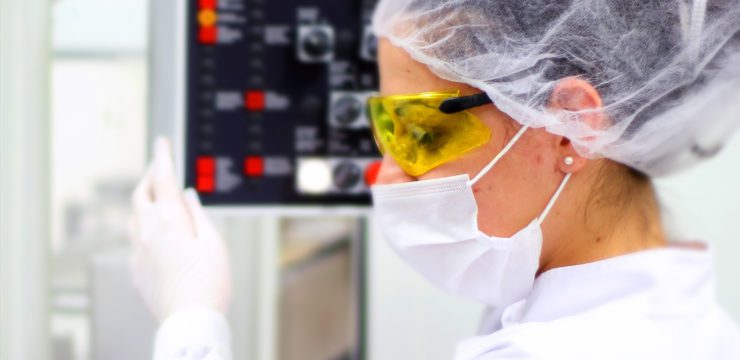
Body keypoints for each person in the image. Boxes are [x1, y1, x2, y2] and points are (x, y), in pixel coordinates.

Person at [129, 1, 740, 359]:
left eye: (415, 128)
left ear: (569, 124)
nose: (391, 174)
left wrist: (192, 321)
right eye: (383, 129)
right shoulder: (684, 313)